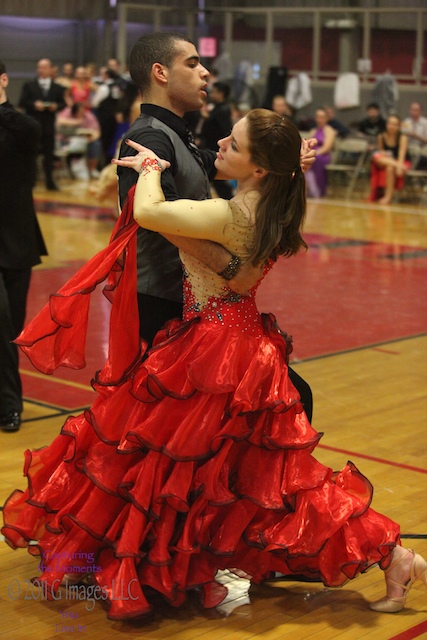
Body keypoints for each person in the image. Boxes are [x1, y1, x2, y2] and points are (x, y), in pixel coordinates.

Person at [2, 109, 426, 621]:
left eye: (235, 143)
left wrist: (152, 170)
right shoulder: (273, 203)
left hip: (216, 351)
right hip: (242, 343)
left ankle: (388, 553)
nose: (220, 142)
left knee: (203, 469)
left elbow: (148, 214)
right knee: (268, 477)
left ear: (260, 168)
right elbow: (233, 270)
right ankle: (395, 556)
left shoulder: (230, 213)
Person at [117, 32, 316, 421]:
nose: (205, 71)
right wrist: (234, 271)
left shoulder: (174, 133)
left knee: (216, 421)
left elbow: (217, 162)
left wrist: (283, 161)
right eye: (191, 64)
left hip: (199, 306)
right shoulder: (148, 138)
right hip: (166, 299)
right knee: (185, 426)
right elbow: (160, 220)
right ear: (160, 73)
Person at [0, 60, 47, 432]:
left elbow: (34, 133)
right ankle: (9, 404)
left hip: (15, 241)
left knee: (11, 326)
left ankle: (7, 401)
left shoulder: (20, 126)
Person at [18, 58, 66, 191]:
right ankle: (30, 181)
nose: (41, 70)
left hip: (49, 125)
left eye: (44, 67)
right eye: (39, 67)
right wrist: (34, 105)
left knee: (49, 154)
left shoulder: (57, 87)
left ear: (51, 69)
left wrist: (55, 106)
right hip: (33, 124)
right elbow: (22, 102)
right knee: (31, 153)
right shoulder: (29, 85)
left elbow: (63, 104)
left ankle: (50, 181)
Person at [200, 81, 234, 199]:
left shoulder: (224, 109)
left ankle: (229, 200)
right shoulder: (217, 107)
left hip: (216, 148)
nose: (212, 94)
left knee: (219, 181)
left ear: (221, 93)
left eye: (214, 92)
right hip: (210, 145)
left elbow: (225, 129)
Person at [369, 114, 411, 205]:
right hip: (388, 160)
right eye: (390, 124)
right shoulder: (381, 136)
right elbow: (381, 152)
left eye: (395, 125)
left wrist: (399, 165)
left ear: (399, 126)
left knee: (390, 168)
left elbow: (401, 154)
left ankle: (388, 196)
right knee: (375, 156)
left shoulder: (402, 137)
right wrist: (385, 154)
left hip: (402, 161)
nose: (392, 127)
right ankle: (396, 165)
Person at [56, 101, 102, 179]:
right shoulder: (67, 112)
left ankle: (92, 169)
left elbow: (97, 132)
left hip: (84, 141)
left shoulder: (89, 116)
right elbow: (59, 121)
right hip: (66, 140)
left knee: (96, 144)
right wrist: (76, 122)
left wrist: (90, 139)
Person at [304, 107, 336, 198]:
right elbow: (309, 144)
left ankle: (317, 190)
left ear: (326, 118)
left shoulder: (329, 131)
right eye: (318, 117)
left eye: (322, 117)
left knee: (315, 159)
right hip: (314, 153)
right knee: (304, 159)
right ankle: (307, 188)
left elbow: (327, 147)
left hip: (323, 156)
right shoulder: (313, 131)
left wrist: (315, 153)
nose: (319, 119)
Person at [401, 102, 427, 169]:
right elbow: (402, 135)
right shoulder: (406, 121)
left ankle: (414, 171)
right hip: (409, 146)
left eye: (416, 110)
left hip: (422, 147)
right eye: (412, 110)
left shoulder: (425, 123)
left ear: (421, 111)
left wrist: (416, 136)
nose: (413, 112)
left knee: (418, 151)